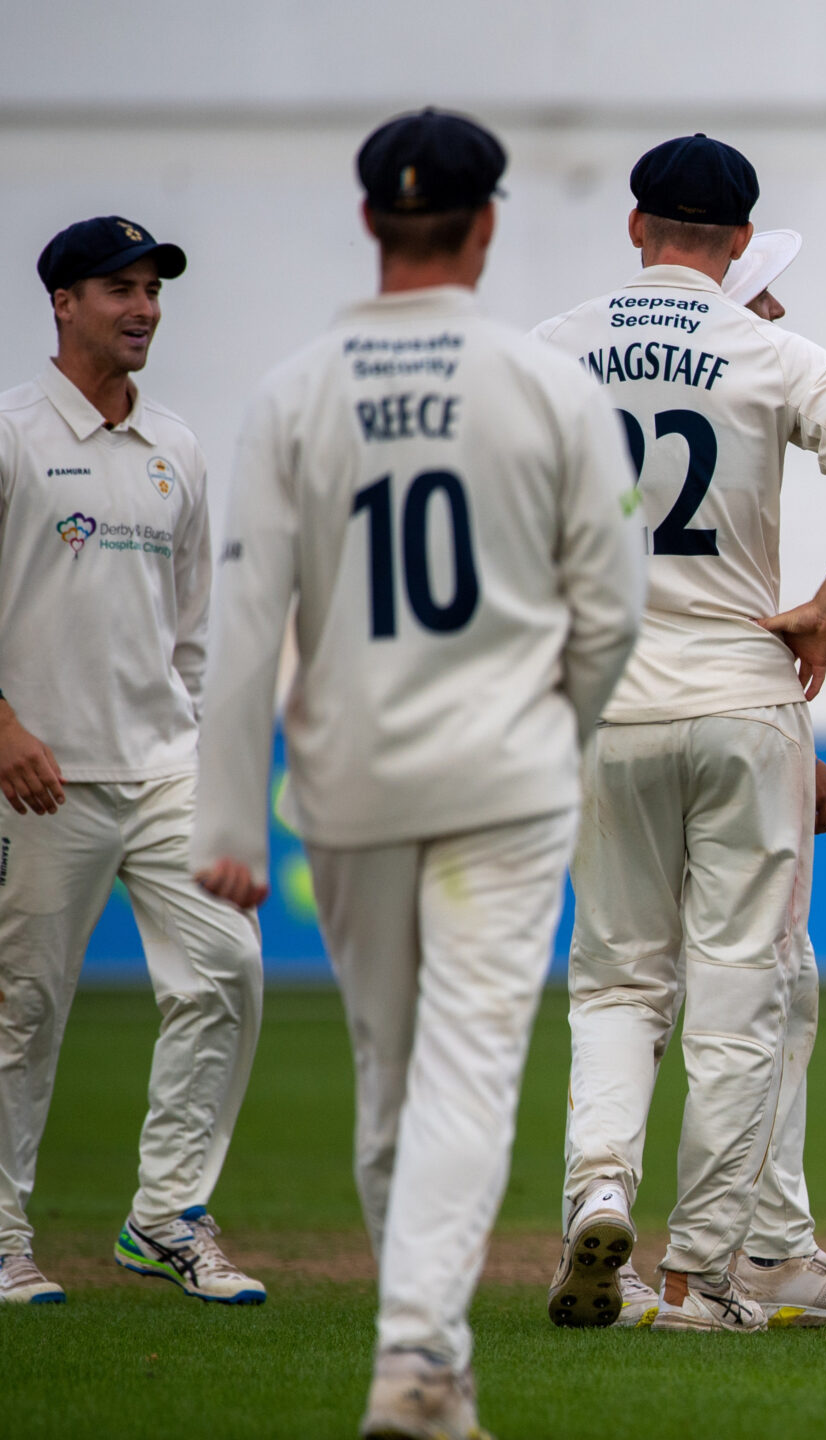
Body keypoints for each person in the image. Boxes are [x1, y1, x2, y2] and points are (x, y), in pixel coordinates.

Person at [191, 108, 644, 1436]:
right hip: (502, 780)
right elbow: (610, 613)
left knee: (391, 1069)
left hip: (349, 786)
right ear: (487, 224)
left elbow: (242, 628)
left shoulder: (294, 392)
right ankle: (416, 1362)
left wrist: (227, 820)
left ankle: (426, 1362)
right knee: (466, 1071)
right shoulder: (546, 386)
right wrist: (552, 735)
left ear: (369, 223)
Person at [534, 134, 826, 1335]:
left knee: (615, 984)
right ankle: (701, 1277)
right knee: (744, 995)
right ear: (741, 241)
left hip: (608, 704)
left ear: (636, 226)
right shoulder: (767, 347)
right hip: (746, 696)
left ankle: (600, 1190)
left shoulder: (551, 349)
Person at [0, 217, 265, 1308]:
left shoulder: (177, 447)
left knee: (227, 970)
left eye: (153, 288)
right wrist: (4, 726)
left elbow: (193, 628)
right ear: (62, 301)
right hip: (37, 772)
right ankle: (5, 1235)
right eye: (120, 288)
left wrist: (199, 746)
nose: (145, 307)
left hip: (163, 767)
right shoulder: (14, 434)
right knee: (22, 1008)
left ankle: (165, 1215)